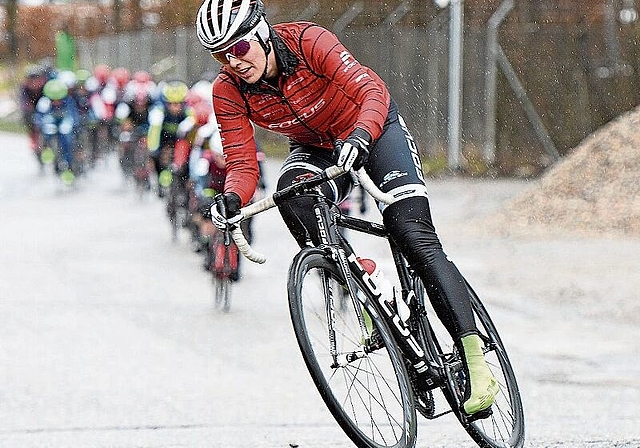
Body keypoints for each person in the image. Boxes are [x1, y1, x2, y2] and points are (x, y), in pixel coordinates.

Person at [195, 0, 498, 417]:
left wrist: (358, 136)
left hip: (373, 128)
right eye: (220, 54)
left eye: (241, 48)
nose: (233, 61)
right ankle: (353, 276)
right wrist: (230, 199)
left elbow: (371, 90)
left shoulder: (307, 41)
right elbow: (244, 164)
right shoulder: (227, 89)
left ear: (262, 32)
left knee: (413, 236)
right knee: (291, 192)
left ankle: (474, 353)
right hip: (316, 148)